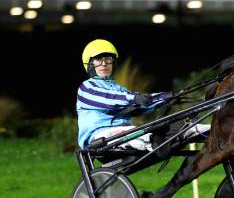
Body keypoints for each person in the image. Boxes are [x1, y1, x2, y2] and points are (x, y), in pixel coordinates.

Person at [76, 39, 209, 151]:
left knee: (176, 126)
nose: (104, 63)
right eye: (98, 59)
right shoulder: (86, 87)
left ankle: (207, 130)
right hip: (100, 136)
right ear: (90, 63)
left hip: (123, 132)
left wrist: (166, 97)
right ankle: (156, 142)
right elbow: (109, 99)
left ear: (113, 62)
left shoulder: (119, 89)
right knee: (142, 132)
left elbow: (141, 104)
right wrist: (134, 98)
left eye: (108, 59)